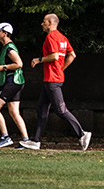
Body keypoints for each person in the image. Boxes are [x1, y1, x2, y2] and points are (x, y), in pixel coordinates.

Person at [25, 13, 92, 151]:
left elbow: (55, 56)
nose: (42, 24)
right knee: (41, 109)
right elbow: (72, 55)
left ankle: (82, 133)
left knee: (61, 110)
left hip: (52, 79)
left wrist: (39, 60)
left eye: (44, 22)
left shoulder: (51, 37)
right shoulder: (62, 37)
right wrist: (61, 69)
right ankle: (36, 141)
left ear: (50, 23)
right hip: (54, 78)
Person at [0, 22, 29, 148]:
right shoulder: (6, 47)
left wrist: (3, 67)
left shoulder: (9, 48)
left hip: (11, 82)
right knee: (14, 112)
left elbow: (19, 63)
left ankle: (5, 137)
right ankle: (26, 140)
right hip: (16, 82)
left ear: (5, 33)